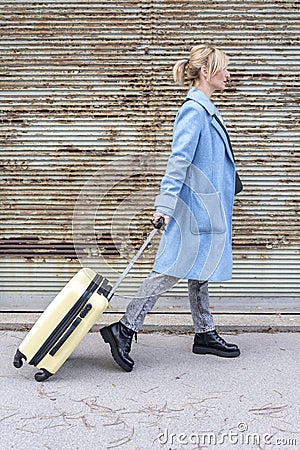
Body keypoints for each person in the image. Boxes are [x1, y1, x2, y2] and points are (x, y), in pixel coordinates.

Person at [100, 44, 242, 372]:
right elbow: (178, 160)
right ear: (207, 72)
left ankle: (204, 333)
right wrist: (164, 204)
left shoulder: (205, 108)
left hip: (205, 207)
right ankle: (124, 327)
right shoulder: (194, 111)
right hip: (192, 209)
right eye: (224, 69)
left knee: (200, 270)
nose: (228, 75)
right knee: (171, 269)